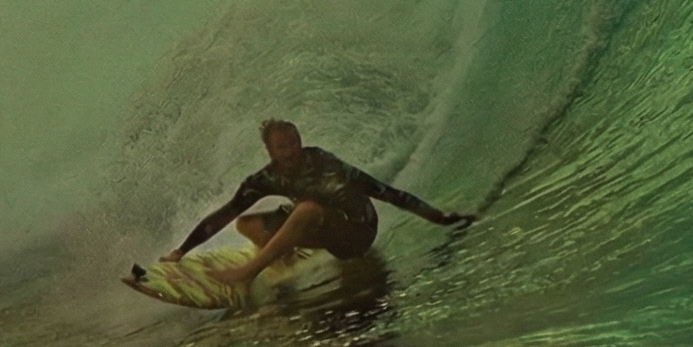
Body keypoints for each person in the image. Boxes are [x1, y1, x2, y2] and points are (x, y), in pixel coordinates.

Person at [165, 119, 472, 286]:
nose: (291, 151)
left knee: (306, 209)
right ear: (271, 152)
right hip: (324, 228)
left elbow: (385, 192)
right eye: (283, 146)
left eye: (294, 142)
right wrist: (182, 250)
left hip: (358, 232)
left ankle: (249, 272)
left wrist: (439, 218)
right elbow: (226, 212)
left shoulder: (324, 162)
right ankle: (285, 257)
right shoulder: (267, 178)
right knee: (245, 222)